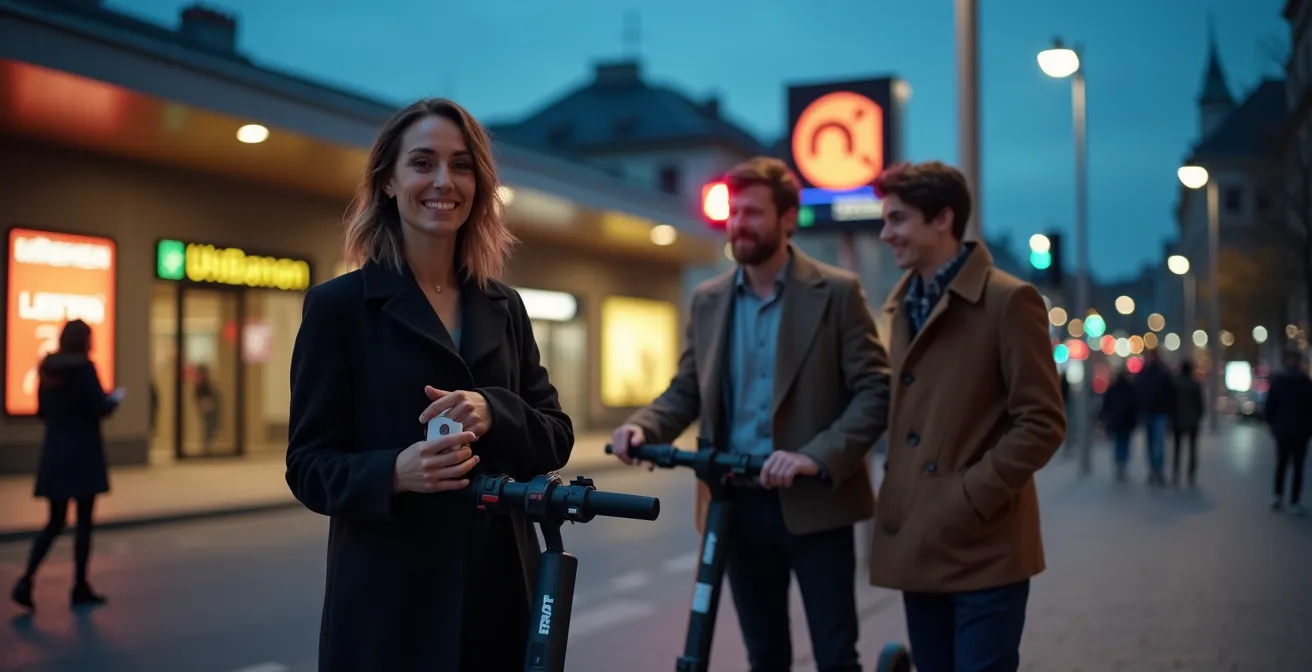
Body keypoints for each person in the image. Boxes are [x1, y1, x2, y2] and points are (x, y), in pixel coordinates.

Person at [284, 98, 574, 672]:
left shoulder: (504, 305)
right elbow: (308, 465)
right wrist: (393, 472)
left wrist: (494, 410)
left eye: (461, 165)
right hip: (390, 604)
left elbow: (555, 436)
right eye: (423, 163)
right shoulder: (339, 308)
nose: (444, 181)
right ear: (388, 182)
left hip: (499, 595)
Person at [611, 157, 890, 672]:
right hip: (734, 502)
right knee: (764, 656)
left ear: (787, 219)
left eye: (754, 213)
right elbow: (687, 390)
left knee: (835, 654)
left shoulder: (837, 292)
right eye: (734, 212)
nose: (739, 224)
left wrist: (814, 457)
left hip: (815, 502)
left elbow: (876, 391)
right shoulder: (709, 299)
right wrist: (641, 426)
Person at [866, 161, 1066, 672]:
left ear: (943, 219)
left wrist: (970, 495)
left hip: (984, 545)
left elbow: (1042, 422)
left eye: (897, 219)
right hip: (920, 542)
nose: (885, 233)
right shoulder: (902, 307)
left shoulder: (1008, 300)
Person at [10, 319, 125, 611]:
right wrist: (112, 401)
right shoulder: (85, 370)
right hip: (83, 454)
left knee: (54, 522)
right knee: (84, 523)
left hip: (55, 455)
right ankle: (80, 585)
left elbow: (43, 413)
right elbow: (99, 407)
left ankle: (26, 579)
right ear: (83, 341)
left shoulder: (48, 371)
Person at [1263, 348, 1311, 516]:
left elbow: (1269, 408)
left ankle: (1283, 497)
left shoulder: (1281, 382)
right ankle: (1287, 498)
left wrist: (1273, 425)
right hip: (1294, 431)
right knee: (1287, 465)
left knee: (1290, 466)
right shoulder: (1304, 382)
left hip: (1290, 430)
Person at [1134, 347, 1174, 486]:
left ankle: (1158, 470)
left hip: (1159, 413)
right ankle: (1153, 470)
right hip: (1150, 413)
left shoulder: (1161, 373)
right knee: (1151, 443)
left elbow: (1169, 394)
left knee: (1158, 443)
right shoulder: (1146, 373)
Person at [1170, 359, 1205, 487]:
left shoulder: (1175, 383)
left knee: (1177, 449)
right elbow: (1200, 404)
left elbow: (1171, 403)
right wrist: (1199, 416)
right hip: (1193, 421)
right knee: (1192, 449)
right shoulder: (1195, 384)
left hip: (1178, 421)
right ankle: (1191, 474)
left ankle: (1176, 473)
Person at [1100, 368, 1139, 481]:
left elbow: (1106, 404)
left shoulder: (1113, 389)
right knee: (1124, 443)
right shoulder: (1130, 388)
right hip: (1126, 422)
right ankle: (1122, 464)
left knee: (1118, 443)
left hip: (1116, 421)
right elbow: (1134, 406)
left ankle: (1119, 464)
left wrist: (1104, 417)